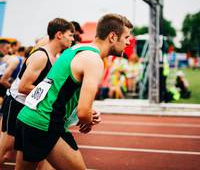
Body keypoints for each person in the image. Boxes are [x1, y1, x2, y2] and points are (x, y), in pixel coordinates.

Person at [14, 13, 133, 170]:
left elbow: (62, 89)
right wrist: (87, 118)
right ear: (112, 36)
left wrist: (87, 113)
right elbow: (83, 113)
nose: (128, 42)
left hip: (27, 117)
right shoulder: (93, 60)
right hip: (45, 123)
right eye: (126, 37)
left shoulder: (76, 49)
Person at [0, 18, 75, 167]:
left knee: (35, 156)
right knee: (5, 150)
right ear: (59, 35)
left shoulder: (56, 58)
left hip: (31, 108)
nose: (73, 39)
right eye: (71, 35)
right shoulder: (41, 56)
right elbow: (23, 87)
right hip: (16, 103)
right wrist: (51, 97)